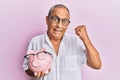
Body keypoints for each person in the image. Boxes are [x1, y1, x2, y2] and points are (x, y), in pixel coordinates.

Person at [23, 4, 102, 80]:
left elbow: (97, 65)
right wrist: (34, 72)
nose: (59, 25)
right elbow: (27, 67)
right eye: (55, 19)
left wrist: (85, 38)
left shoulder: (76, 42)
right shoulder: (35, 42)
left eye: (64, 21)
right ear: (47, 20)